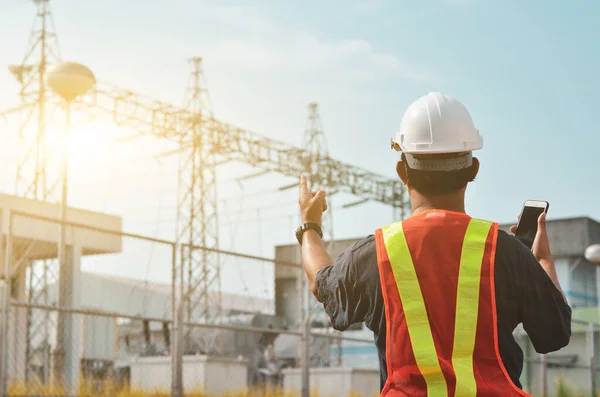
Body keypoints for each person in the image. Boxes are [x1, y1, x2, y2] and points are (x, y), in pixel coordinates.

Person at [295, 92, 571, 396]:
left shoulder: (378, 253)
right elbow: (554, 335)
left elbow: (321, 283)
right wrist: (541, 261)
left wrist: (310, 226)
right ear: (474, 168)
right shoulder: (506, 252)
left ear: (402, 172)